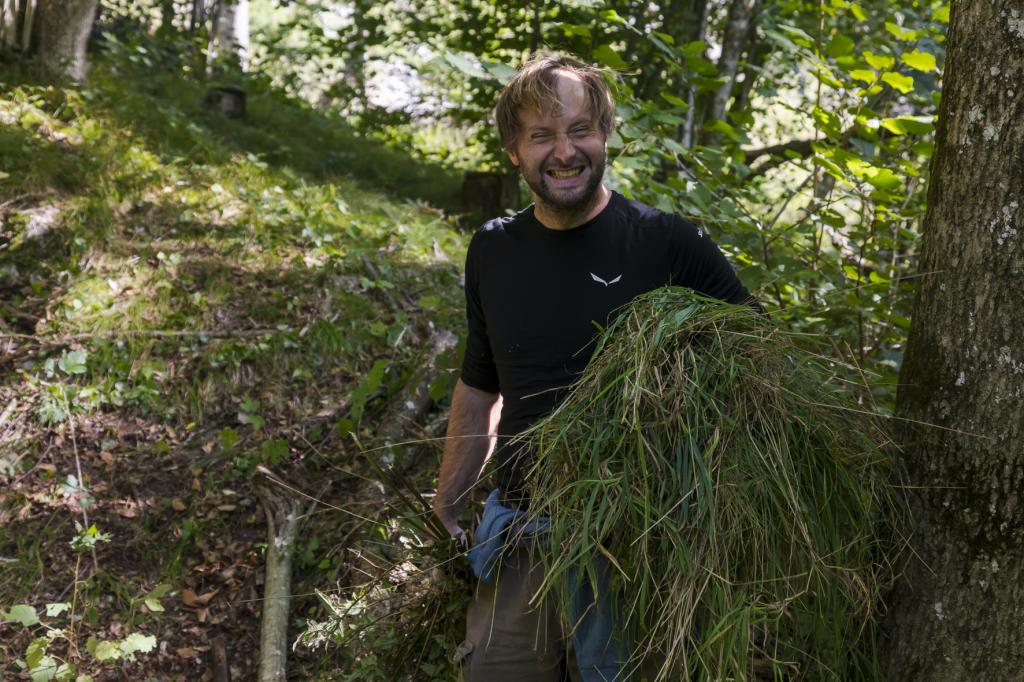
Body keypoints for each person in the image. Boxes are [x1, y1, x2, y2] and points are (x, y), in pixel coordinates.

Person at [433, 53, 754, 681]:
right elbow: (479, 383)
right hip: (521, 532)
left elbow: (756, 360)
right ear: (513, 151)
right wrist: (450, 500)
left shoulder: (665, 243)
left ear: (605, 134)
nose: (564, 151)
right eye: (542, 135)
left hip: (640, 541)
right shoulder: (494, 249)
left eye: (580, 129)